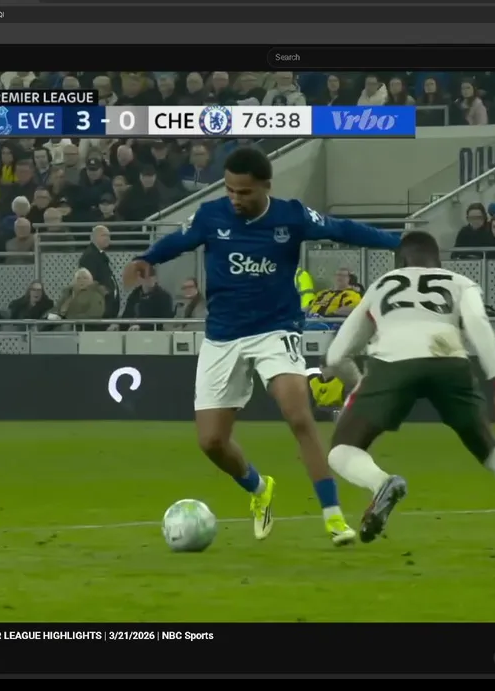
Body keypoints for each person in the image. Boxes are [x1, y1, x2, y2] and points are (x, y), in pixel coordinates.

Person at [123, 147, 400, 547]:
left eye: (244, 192)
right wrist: (146, 258)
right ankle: (259, 488)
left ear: (266, 186)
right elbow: (177, 242)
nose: (236, 199)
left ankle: (333, 517)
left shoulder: (291, 216)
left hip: (275, 330)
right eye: (230, 190)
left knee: (298, 414)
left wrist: (399, 243)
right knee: (211, 442)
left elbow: (342, 229)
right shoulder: (211, 216)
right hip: (222, 336)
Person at [321, 230, 495, 559]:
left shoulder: (381, 285)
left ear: (401, 261)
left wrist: (364, 384)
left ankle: (381, 483)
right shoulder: (460, 282)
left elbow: (336, 356)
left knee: (342, 450)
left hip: (391, 363)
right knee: (493, 453)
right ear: (438, 261)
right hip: (449, 361)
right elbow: (478, 323)